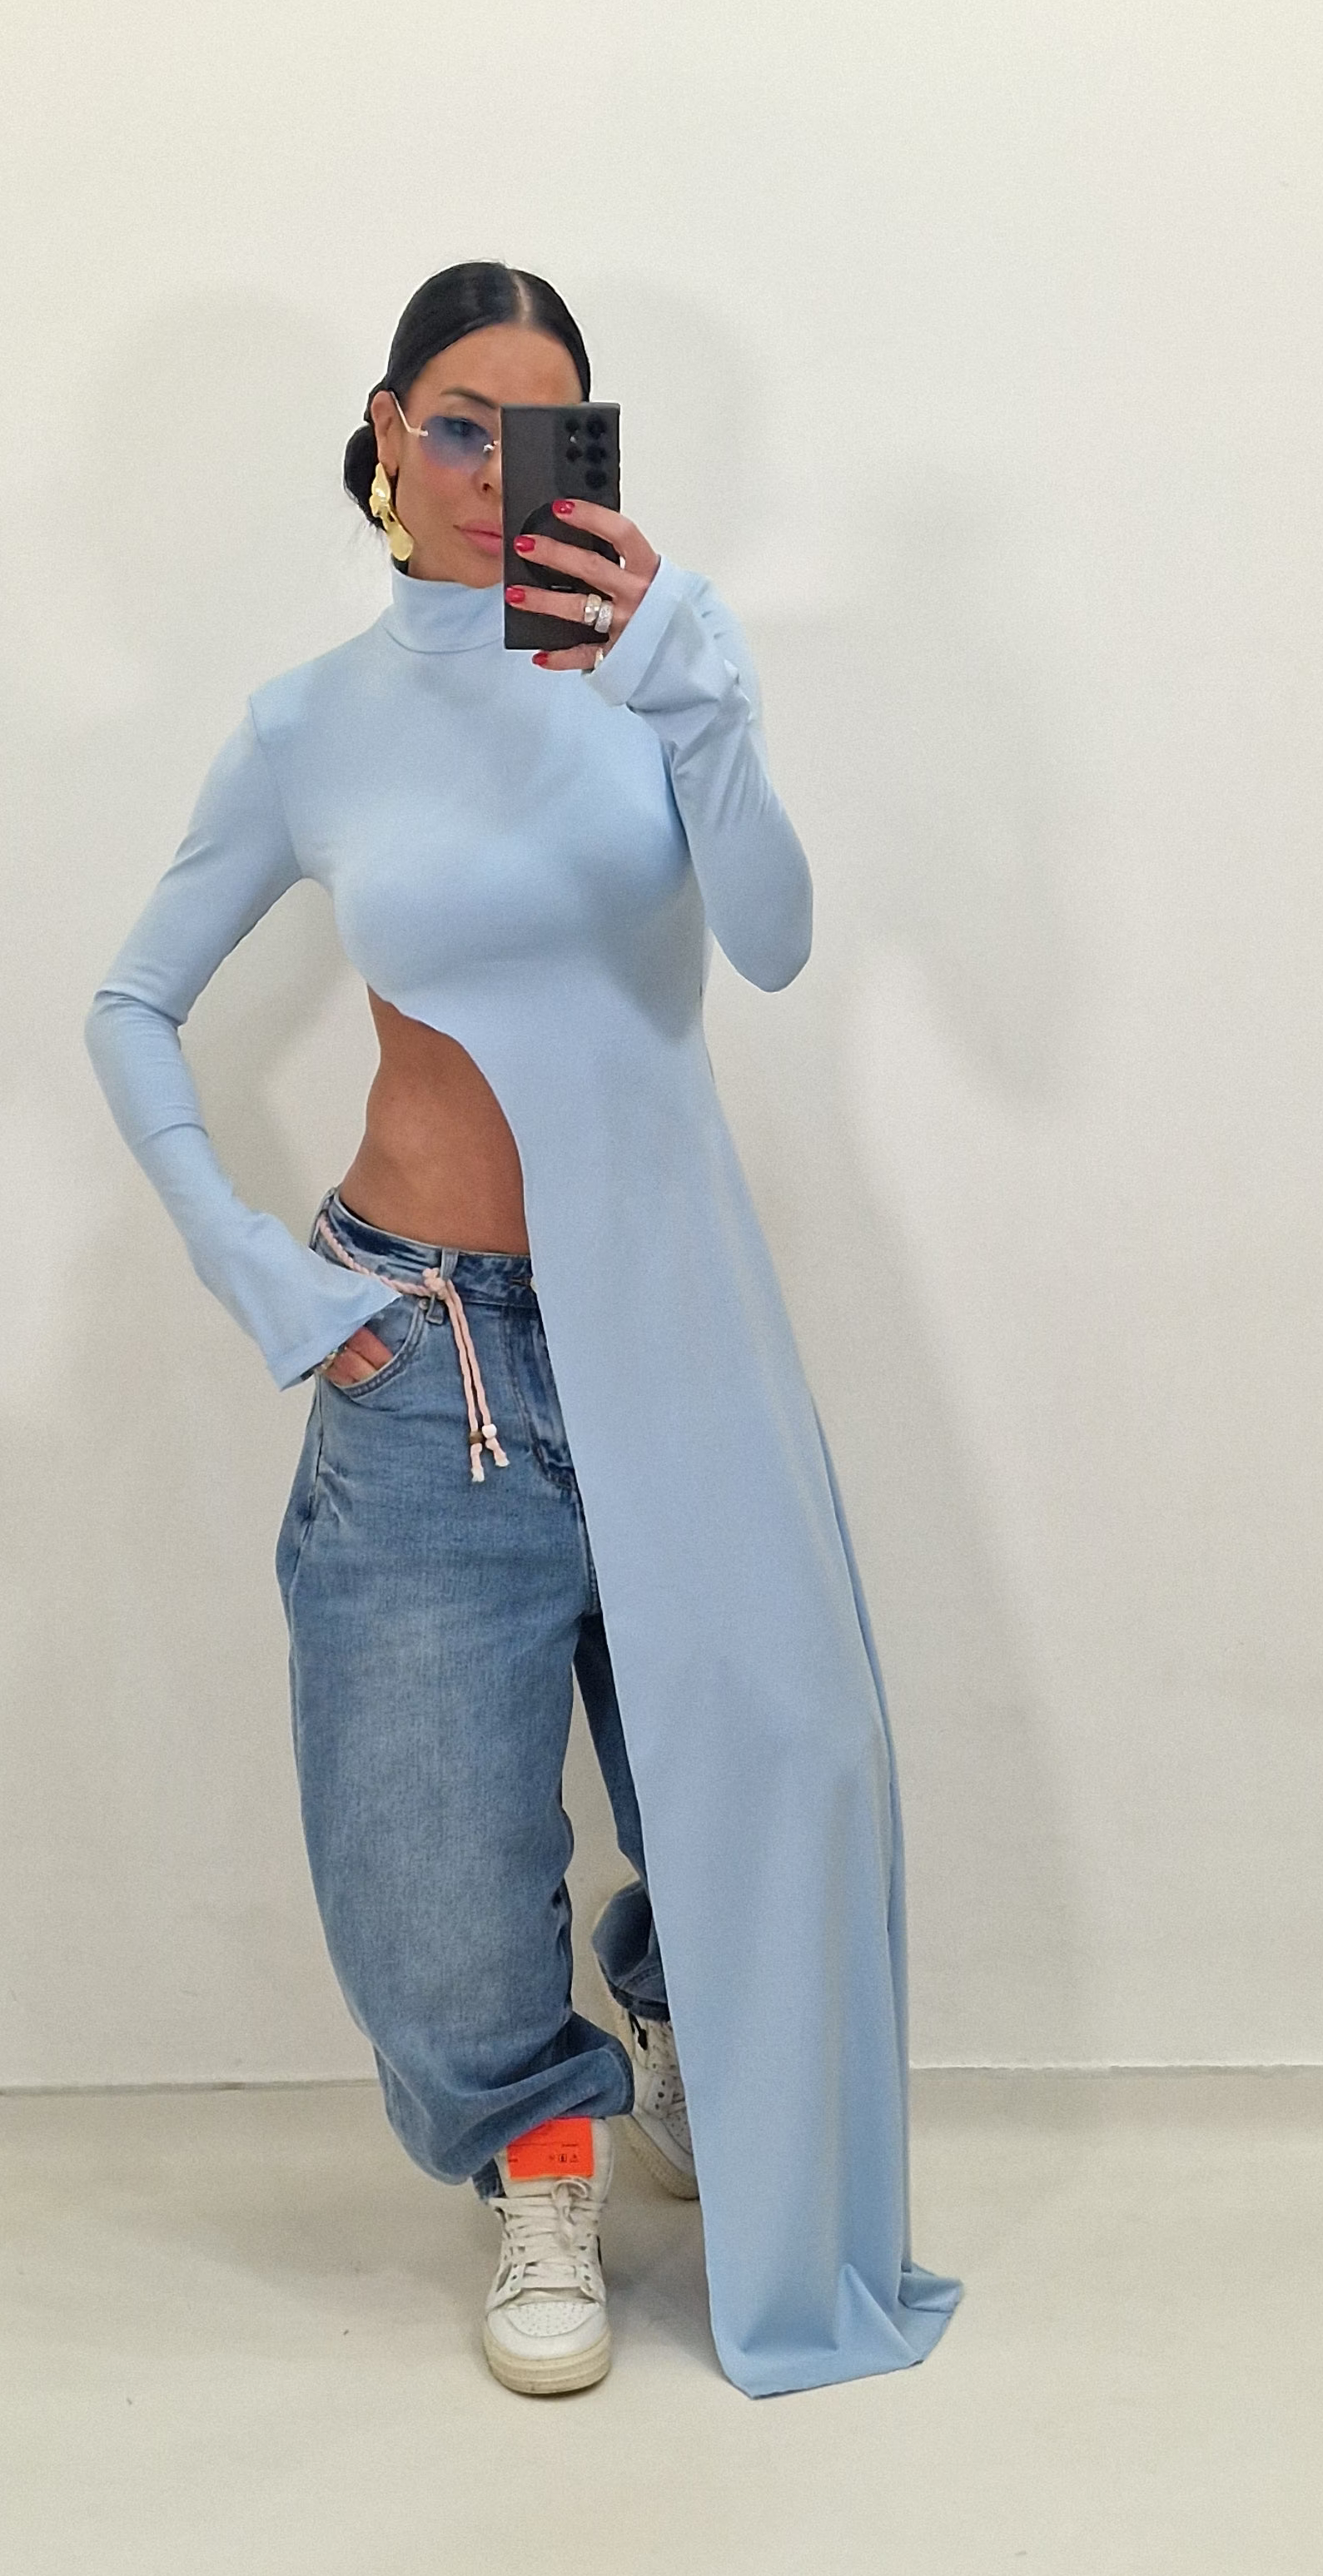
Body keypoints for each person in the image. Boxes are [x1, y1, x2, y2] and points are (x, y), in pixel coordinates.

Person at [86, 259, 960, 2400]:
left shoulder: (653, 661)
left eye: (539, 430)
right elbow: (130, 1005)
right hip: (425, 1354)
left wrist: (693, 685)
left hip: (672, 1320)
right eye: (459, 425)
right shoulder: (307, 726)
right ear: (390, 431)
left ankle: (679, 2016)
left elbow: (773, 943)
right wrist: (261, 1275)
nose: (494, 471)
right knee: (424, 1838)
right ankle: (538, 2158)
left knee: (778, 1755)